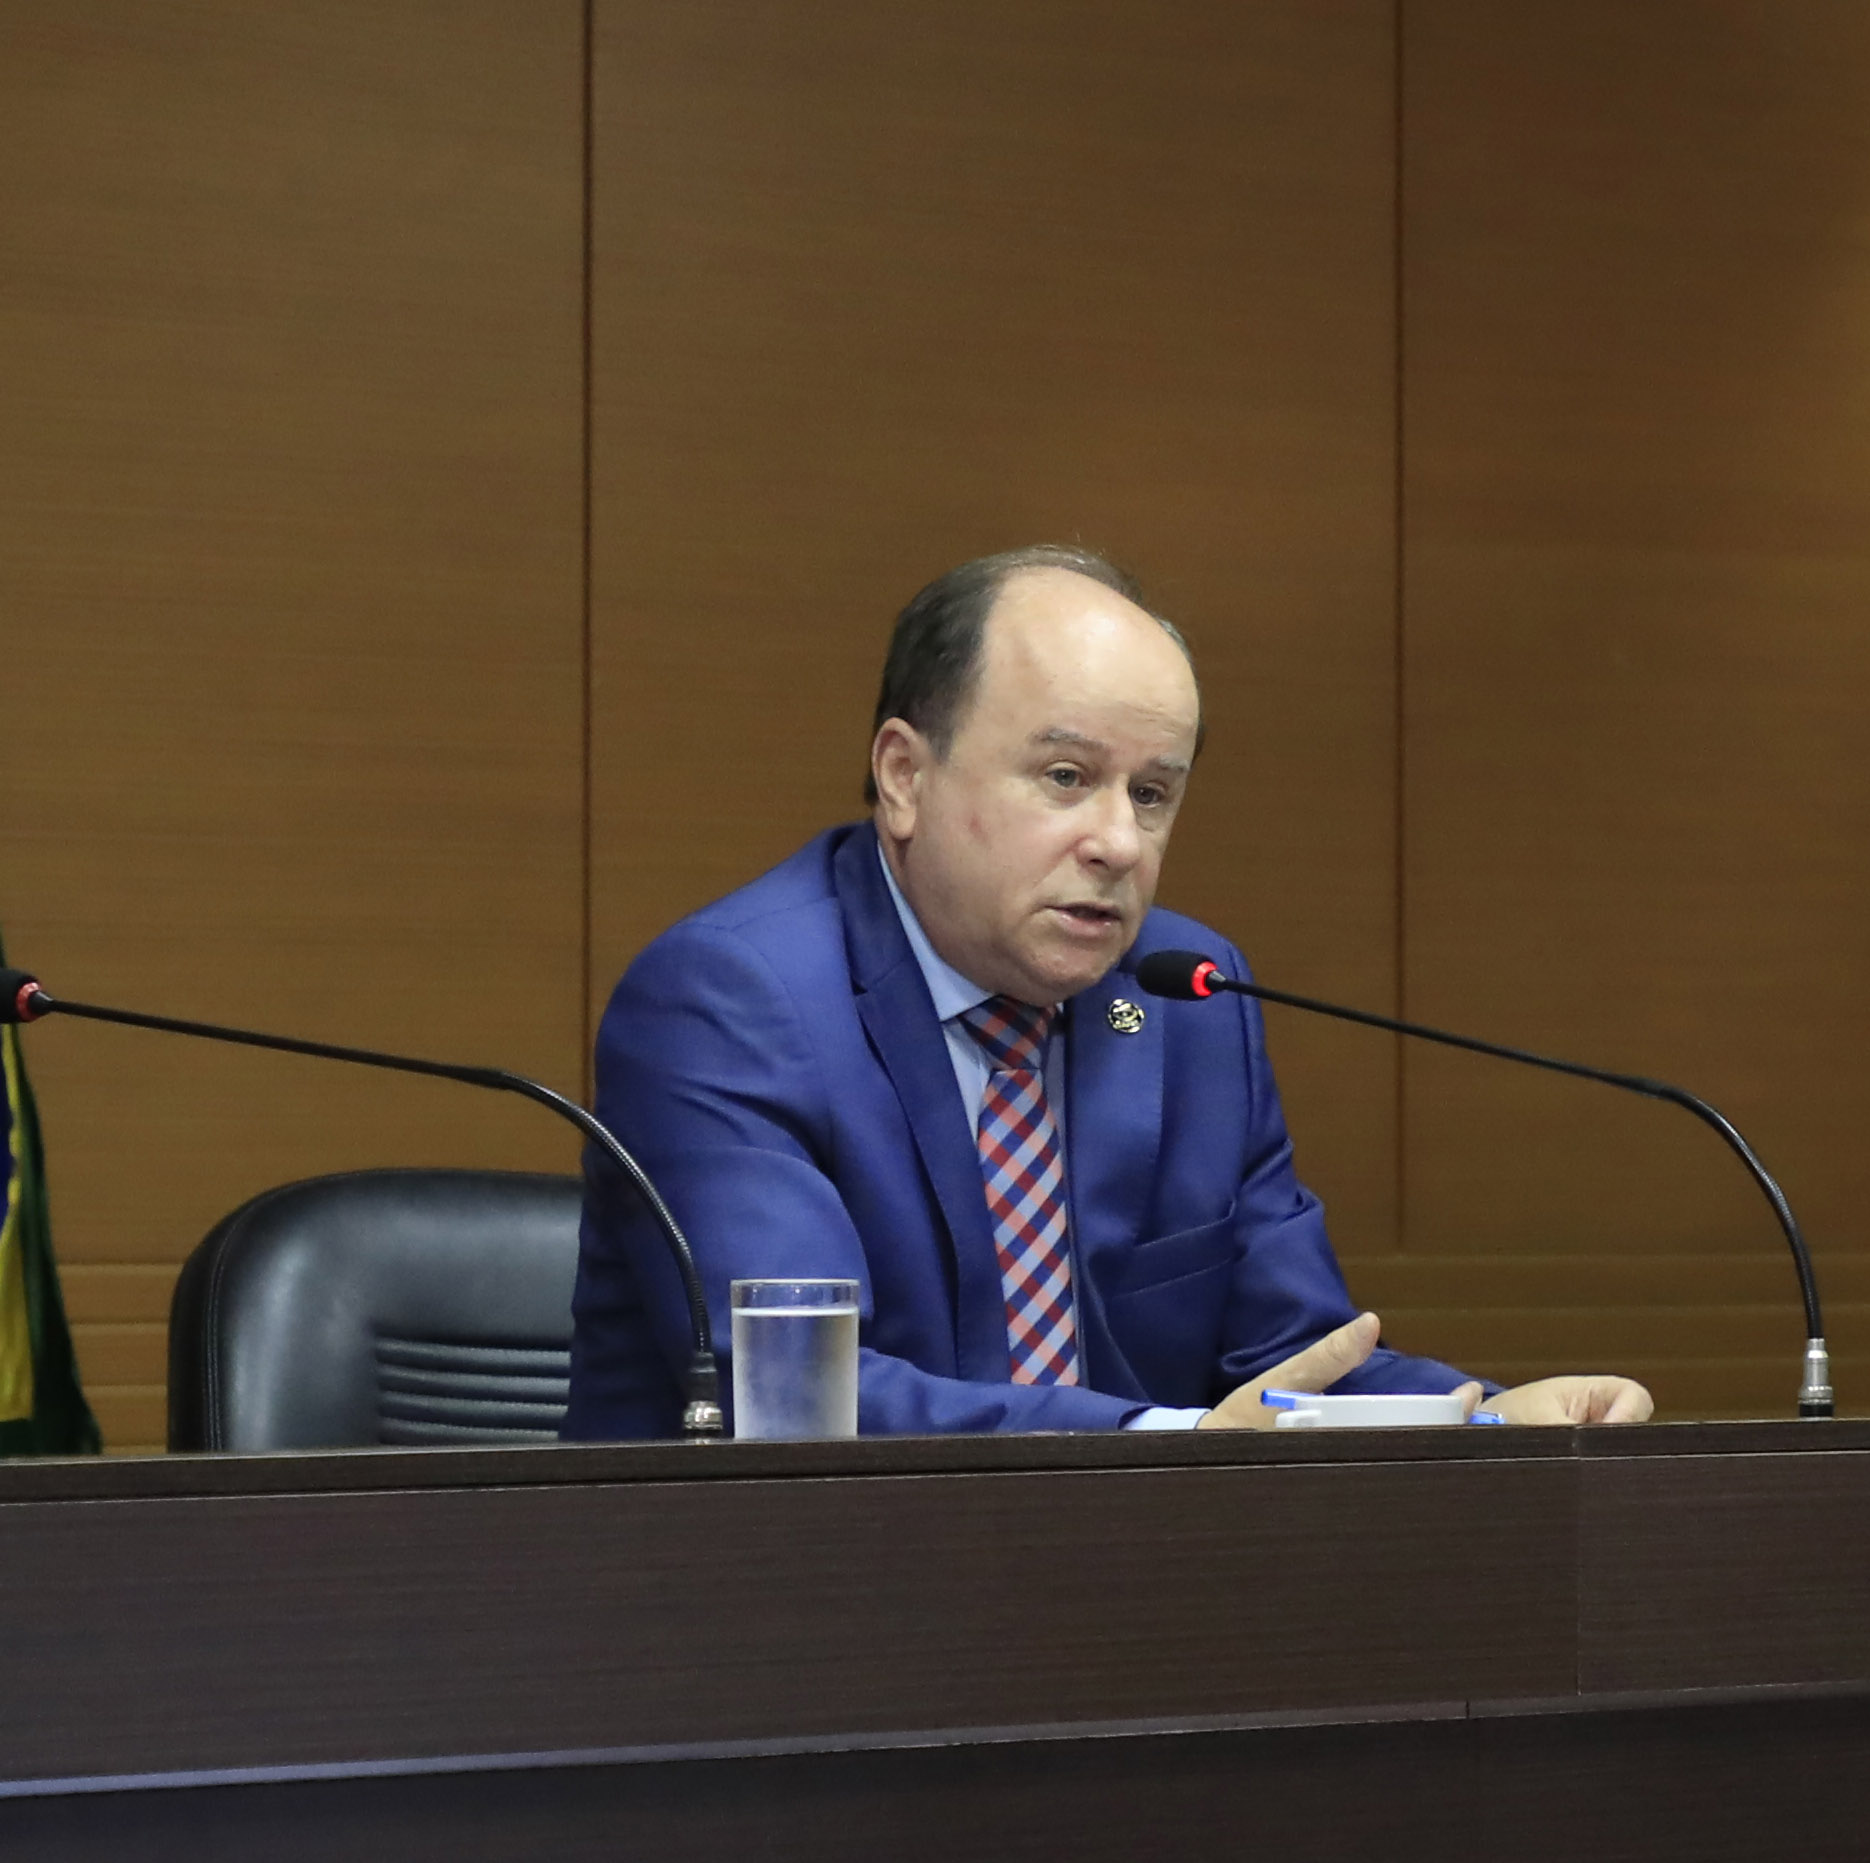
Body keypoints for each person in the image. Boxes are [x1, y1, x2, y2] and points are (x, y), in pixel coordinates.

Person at [567, 546, 1648, 1438]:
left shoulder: (1186, 998)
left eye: (1154, 792)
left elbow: (1289, 1364)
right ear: (904, 776)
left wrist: (1488, 1421)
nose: (1120, 842)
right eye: (1067, 778)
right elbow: (804, 1403)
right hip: (773, 1605)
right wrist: (1163, 1441)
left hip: (1119, 1596)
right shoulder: (730, 1000)